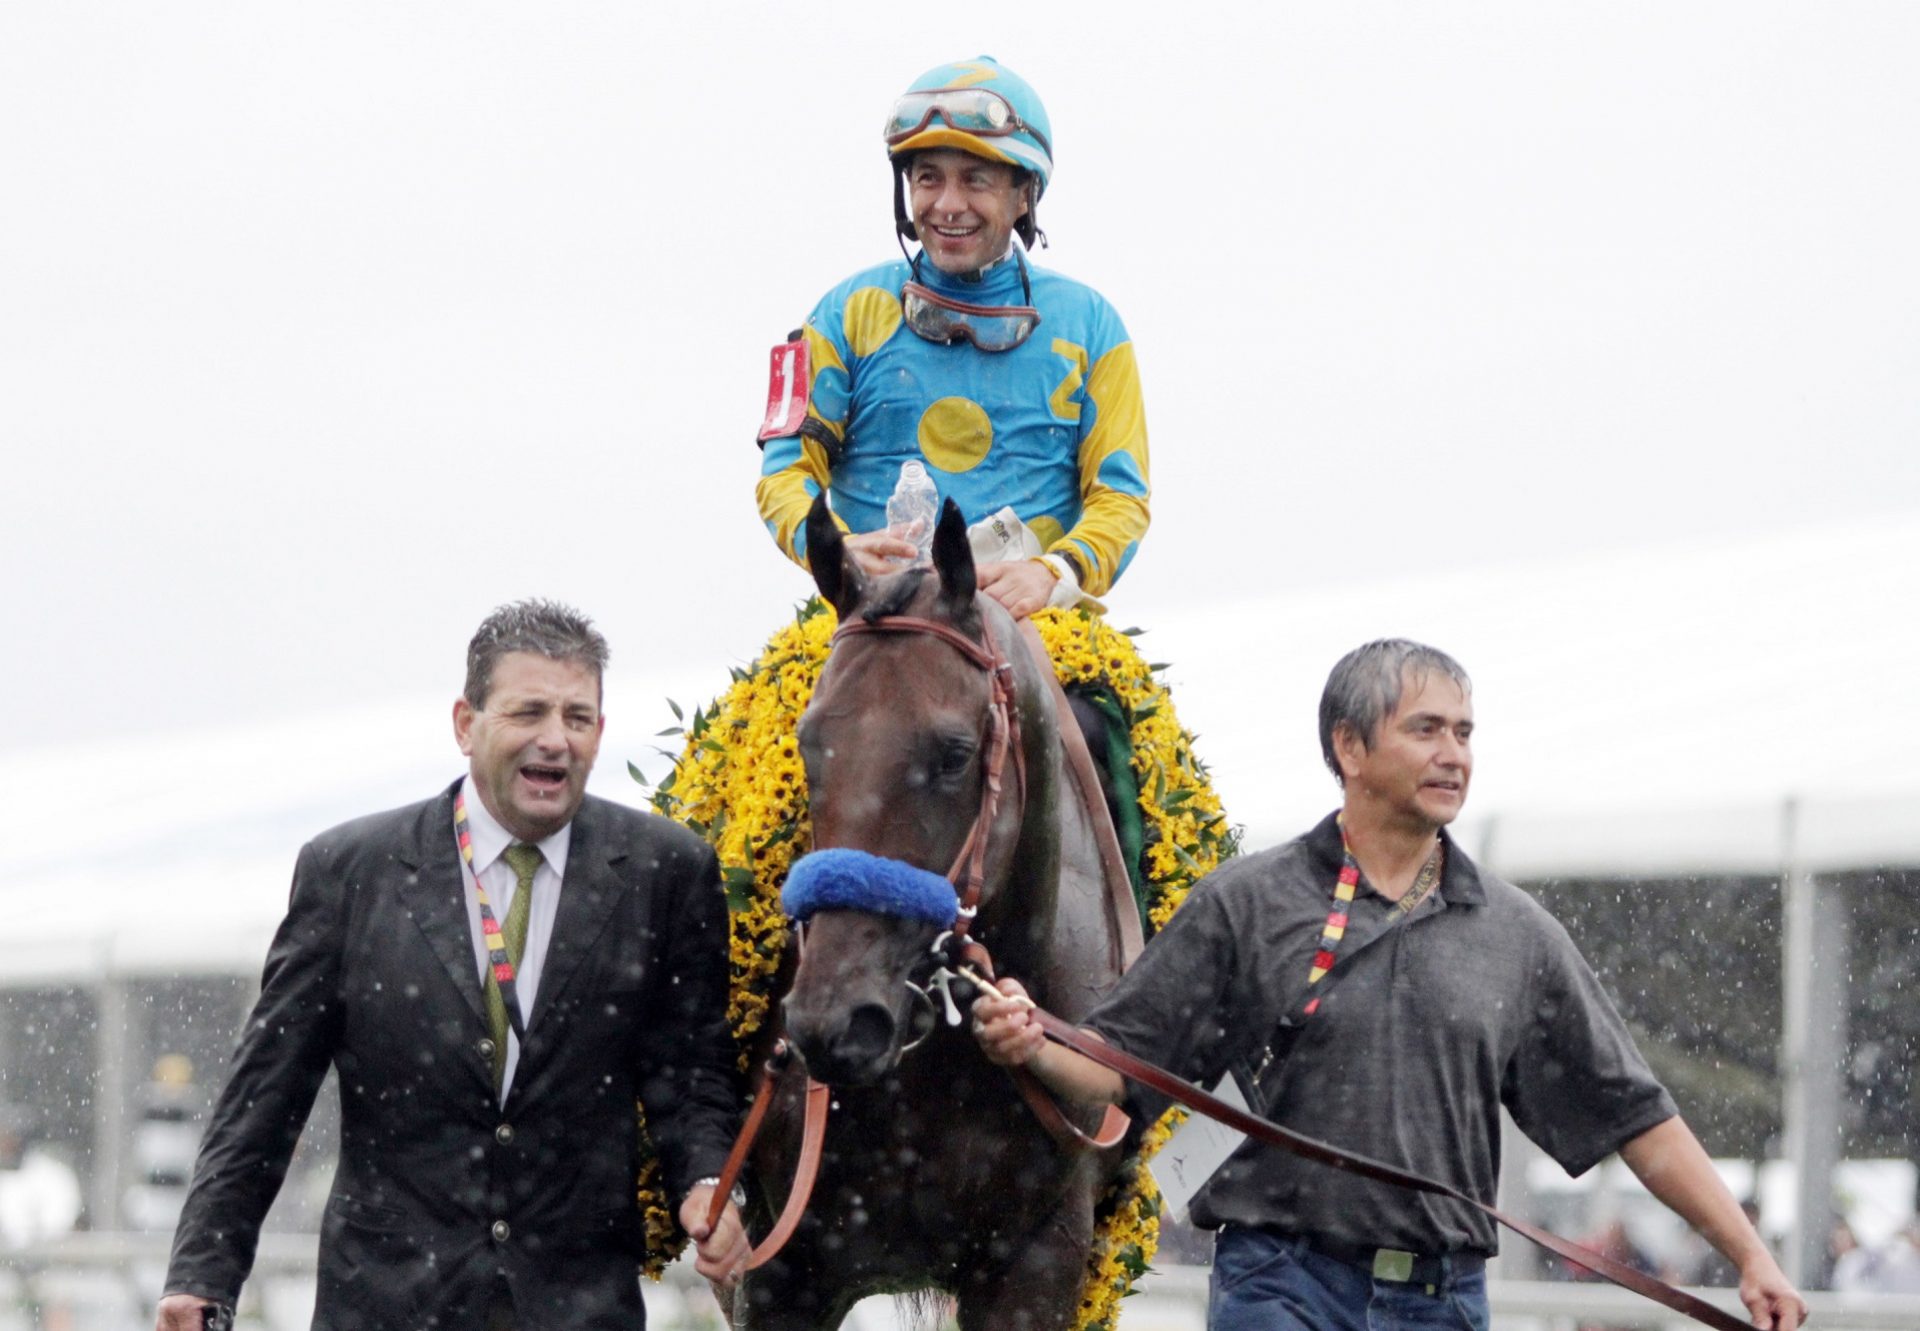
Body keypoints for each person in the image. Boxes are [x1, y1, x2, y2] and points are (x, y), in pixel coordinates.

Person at [973, 639, 1807, 1330]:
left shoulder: (1516, 933)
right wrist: (1034, 1042)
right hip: (1279, 1281)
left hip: (1444, 1301)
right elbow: (1118, 1063)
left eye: (1465, 732)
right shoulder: (1247, 901)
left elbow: (1640, 1120)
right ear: (1349, 747)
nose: (1454, 753)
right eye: (1427, 729)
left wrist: (1750, 1254)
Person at [155, 600, 747, 1331]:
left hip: (576, 1306)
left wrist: (707, 1181)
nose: (555, 740)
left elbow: (692, 1076)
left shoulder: (667, 871)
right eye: (529, 711)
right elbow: (264, 1098)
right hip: (386, 1303)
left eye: (578, 717)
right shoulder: (351, 872)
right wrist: (202, 1273)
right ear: (466, 723)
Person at [756, 55, 1151, 621]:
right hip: (869, 617)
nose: (947, 205)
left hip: (1034, 622)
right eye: (928, 178)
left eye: (975, 180)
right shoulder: (841, 313)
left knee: (1116, 714)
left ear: (1023, 195)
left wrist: (1053, 572)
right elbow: (785, 469)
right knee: (756, 714)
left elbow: (1122, 497)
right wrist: (837, 550)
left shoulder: (1094, 326)